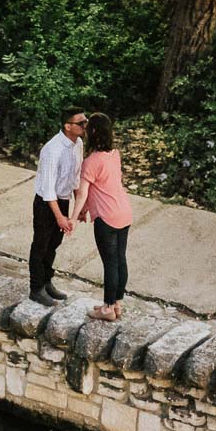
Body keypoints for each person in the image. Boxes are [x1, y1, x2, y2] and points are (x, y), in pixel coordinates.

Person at [71, 113, 133, 321]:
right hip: (124, 212)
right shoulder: (115, 155)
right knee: (120, 260)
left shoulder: (91, 162)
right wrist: (84, 210)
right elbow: (104, 186)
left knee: (110, 263)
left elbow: (82, 193)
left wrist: (74, 216)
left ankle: (107, 308)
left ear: (94, 132)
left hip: (106, 218)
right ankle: (117, 304)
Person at [27, 107, 87, 305]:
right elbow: (48, 188)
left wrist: (79, 206)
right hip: (46, 202)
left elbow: (75, 177)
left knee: (54, 243)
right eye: (81, 123)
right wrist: (60, 217)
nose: (85, 126)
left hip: (62, 199)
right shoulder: (53, 150)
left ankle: (46, 281)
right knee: (41, 244)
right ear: (68, 126)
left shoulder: (78, 143)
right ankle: (36, 288)